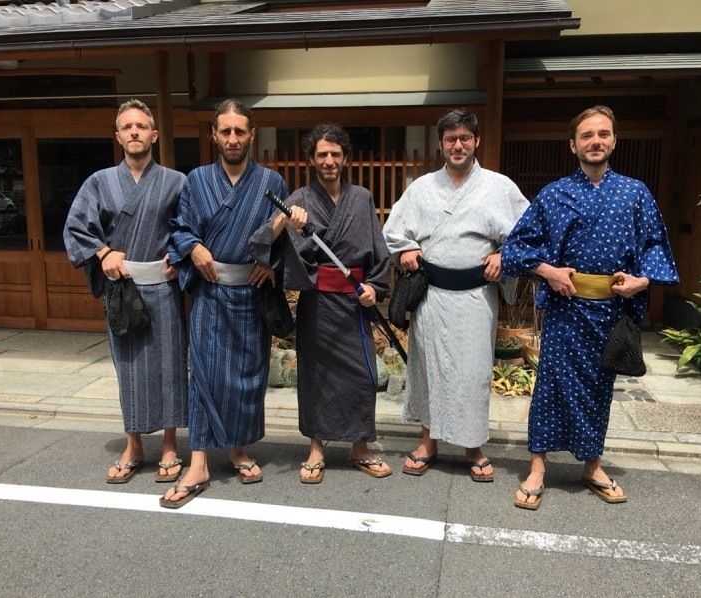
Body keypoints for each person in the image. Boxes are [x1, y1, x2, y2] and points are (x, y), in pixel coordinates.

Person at [501, 105, 679, 510]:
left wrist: (643, 281)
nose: (595, 141)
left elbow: (654, 246)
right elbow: (515, 249)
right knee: (550, 388)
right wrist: (548, 271)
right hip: (566, 309)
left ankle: (592, 465)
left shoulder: (635, 193)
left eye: (602, 134)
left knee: (600, 390)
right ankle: (538, 468)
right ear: (573, 145)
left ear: (614, 140)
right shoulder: (554, 194)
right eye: (586, 136)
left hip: (612, 310)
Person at [383, 108, 529, 481]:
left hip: (475, 296)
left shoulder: (500, 187)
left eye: (465, 138)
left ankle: (473, 446)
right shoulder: (421, 188)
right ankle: (427, 441)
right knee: (428, 368)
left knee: (472, 373)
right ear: (441, 144)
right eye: (451, 139)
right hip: (431, 295)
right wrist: (405, 250)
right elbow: (394, 229)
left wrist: (503, 255)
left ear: (476, 141)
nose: (458, 145)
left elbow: (527, 234)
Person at [160, 99, 288, 508]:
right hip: (211, 292)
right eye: (225, 131)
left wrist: (271, 263)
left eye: (240, 131)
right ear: (213, 134)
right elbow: (178, 228)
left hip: (250, 294)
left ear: (252, 134)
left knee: (247, 378)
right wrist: (194, 247)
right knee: (204, 374)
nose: (233, 138)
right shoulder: (195, 180)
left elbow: (284, 238)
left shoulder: (272, 182)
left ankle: (237, 448)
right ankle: (198, 460)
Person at [251, 123, 392, 484]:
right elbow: (262, 242)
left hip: (355, 299)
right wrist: (285, 220)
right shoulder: (298, 199)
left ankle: (360, 445)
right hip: (318, 302)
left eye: (335, 154)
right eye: (321, 155)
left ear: (345, 158)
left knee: (363, 375)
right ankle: (316, 447)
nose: (328, 161)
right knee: (316, 376)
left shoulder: (361, 198)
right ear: (312, 159)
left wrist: (375, 287)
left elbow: (378, 249)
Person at [64, 98, 188, 485]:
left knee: (169, 365)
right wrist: (102, 252)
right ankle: (133, 443)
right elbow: (75, 228)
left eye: (141, 126)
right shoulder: (99, 182)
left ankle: (170, 445)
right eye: (126, 127)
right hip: (123, 288)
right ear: (118, 137)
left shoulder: (175, 181)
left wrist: (179, 252)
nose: (134, 132)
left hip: (163, 288)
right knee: (130, 368)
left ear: (154, 134)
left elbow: (189, 227)